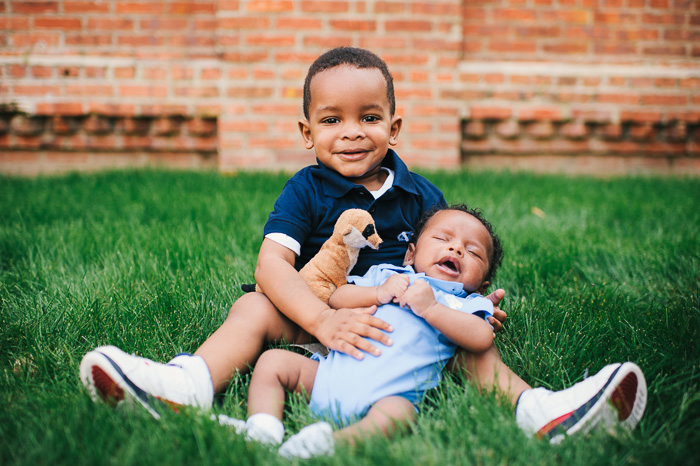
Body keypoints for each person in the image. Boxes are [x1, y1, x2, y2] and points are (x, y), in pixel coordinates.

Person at [79, 47, 646, 445]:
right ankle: (189, 384)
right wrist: (322, 323)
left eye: (369, 117)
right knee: (252, 306)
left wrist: (468, 298)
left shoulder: (424, 195)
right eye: (332, 120)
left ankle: (540, 411)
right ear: (308, 134)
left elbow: (447, 258)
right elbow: (273, 265)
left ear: (394, 128)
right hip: (319, 314)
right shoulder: (307, 188)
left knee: (473, 348)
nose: (351, 132)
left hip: (406, 325)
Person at [213, 205, 647, 458]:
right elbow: (336, 298)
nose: (457, 247)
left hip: (390, 394)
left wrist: (433, 308)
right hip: (327, 374)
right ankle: (262, 428)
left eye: (472, 251)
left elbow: (479, 340)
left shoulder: (464, 302)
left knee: (398, 416)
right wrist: (379, 293)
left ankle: (326, 444)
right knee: (273, 364)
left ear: (481, 281)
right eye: (443, 239)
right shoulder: (386, 274)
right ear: (411, 254)